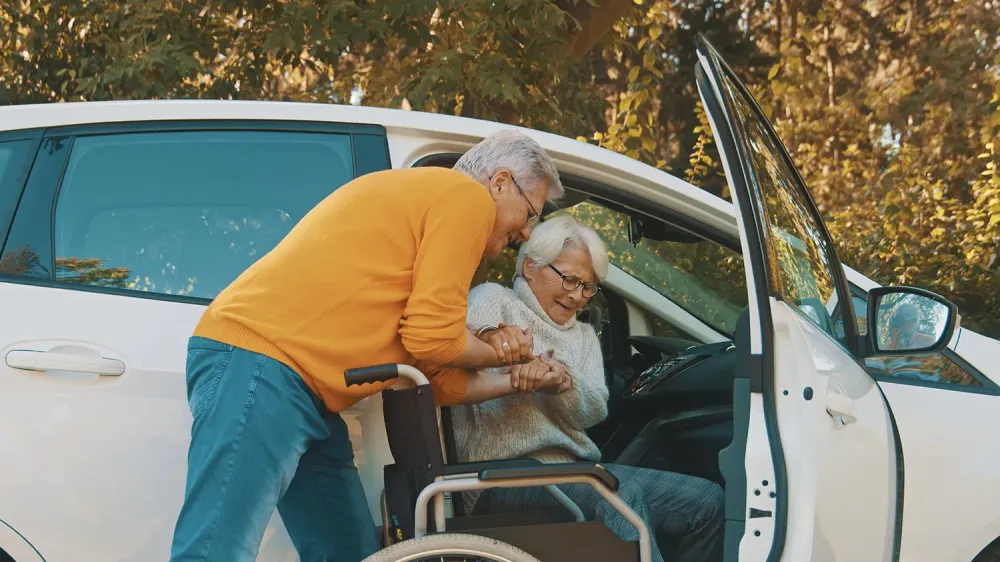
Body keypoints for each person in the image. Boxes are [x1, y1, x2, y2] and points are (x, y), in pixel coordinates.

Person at [168, 130, 564, 562]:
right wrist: (500, 351)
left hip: (304, 391)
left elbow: (434, 377)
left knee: (347, 551)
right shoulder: (464, 198)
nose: (527, 232)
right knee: (213, 553)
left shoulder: (430, 216)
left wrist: (514, 378)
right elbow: (433, 336)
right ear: (500, 182)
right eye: (530, 213)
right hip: (261, 364)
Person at [452, 215, 725, 562]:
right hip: (499, 479)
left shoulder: (582, 336)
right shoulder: (494, 299)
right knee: (619, 495)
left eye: (588, 286)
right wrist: (508, 354)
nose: (577, 295)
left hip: (572, 471)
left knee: (706, 501)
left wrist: (563, 383)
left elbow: (594, 410)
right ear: (530, 267)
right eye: (569, 279)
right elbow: (471, 338)